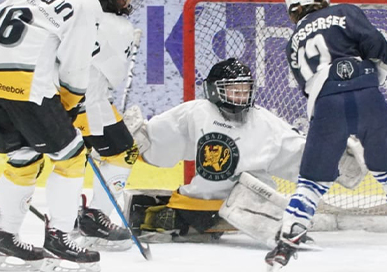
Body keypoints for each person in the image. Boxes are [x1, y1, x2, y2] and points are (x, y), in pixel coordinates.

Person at [265, 0, 387, 272]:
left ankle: (284, 246)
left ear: (291, 6)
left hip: (326, 106)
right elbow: (377, 44)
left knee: (311, 184)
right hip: (366, 97)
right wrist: (378, 72)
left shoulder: (293, 41)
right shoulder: (345, 12)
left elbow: (307, 87)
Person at [0, 0, 106, 272]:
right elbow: (76, 65)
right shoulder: (84, 2)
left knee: (23, 158)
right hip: (24, 85)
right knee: (72, 155)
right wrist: (71, 102)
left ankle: (4, 235)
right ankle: (59, 239)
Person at [127, 58, 308, 243]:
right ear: (214, 89)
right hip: (198, 204)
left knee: (258, 191)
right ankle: (160, 216)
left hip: (247, 203)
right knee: (175, 219)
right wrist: (137, 139)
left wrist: (329, 160)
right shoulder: (197, 112)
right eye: (234, 90)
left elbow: (295, 148)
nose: (241, 96)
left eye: (245, 90)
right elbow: (163, 135)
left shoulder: (263, 120)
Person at [72, 0, 143, 251]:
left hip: (62, 100)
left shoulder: (78, 11)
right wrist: (127, 47)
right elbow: (113, 78)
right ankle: (95, 218)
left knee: (70, 163)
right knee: (124, 153)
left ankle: (72, 219)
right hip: (91, 105)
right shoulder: (119, 27)